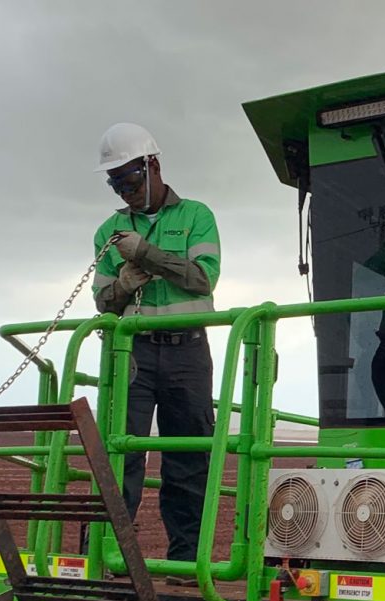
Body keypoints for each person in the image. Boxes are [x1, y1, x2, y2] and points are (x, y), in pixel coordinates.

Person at [90, 121, 221, 566]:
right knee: (119, 458)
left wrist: (146, 254)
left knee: (187, 457)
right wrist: (124, 283)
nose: (124, 190)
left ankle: (186, 563)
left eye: (129, 178)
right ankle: (105, 560)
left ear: (153, 165)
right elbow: (104, 303)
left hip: (188, 353)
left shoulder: (197, 216)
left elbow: (202, 279)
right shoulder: (107, 231)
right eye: (115, 183)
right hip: (134, 354)